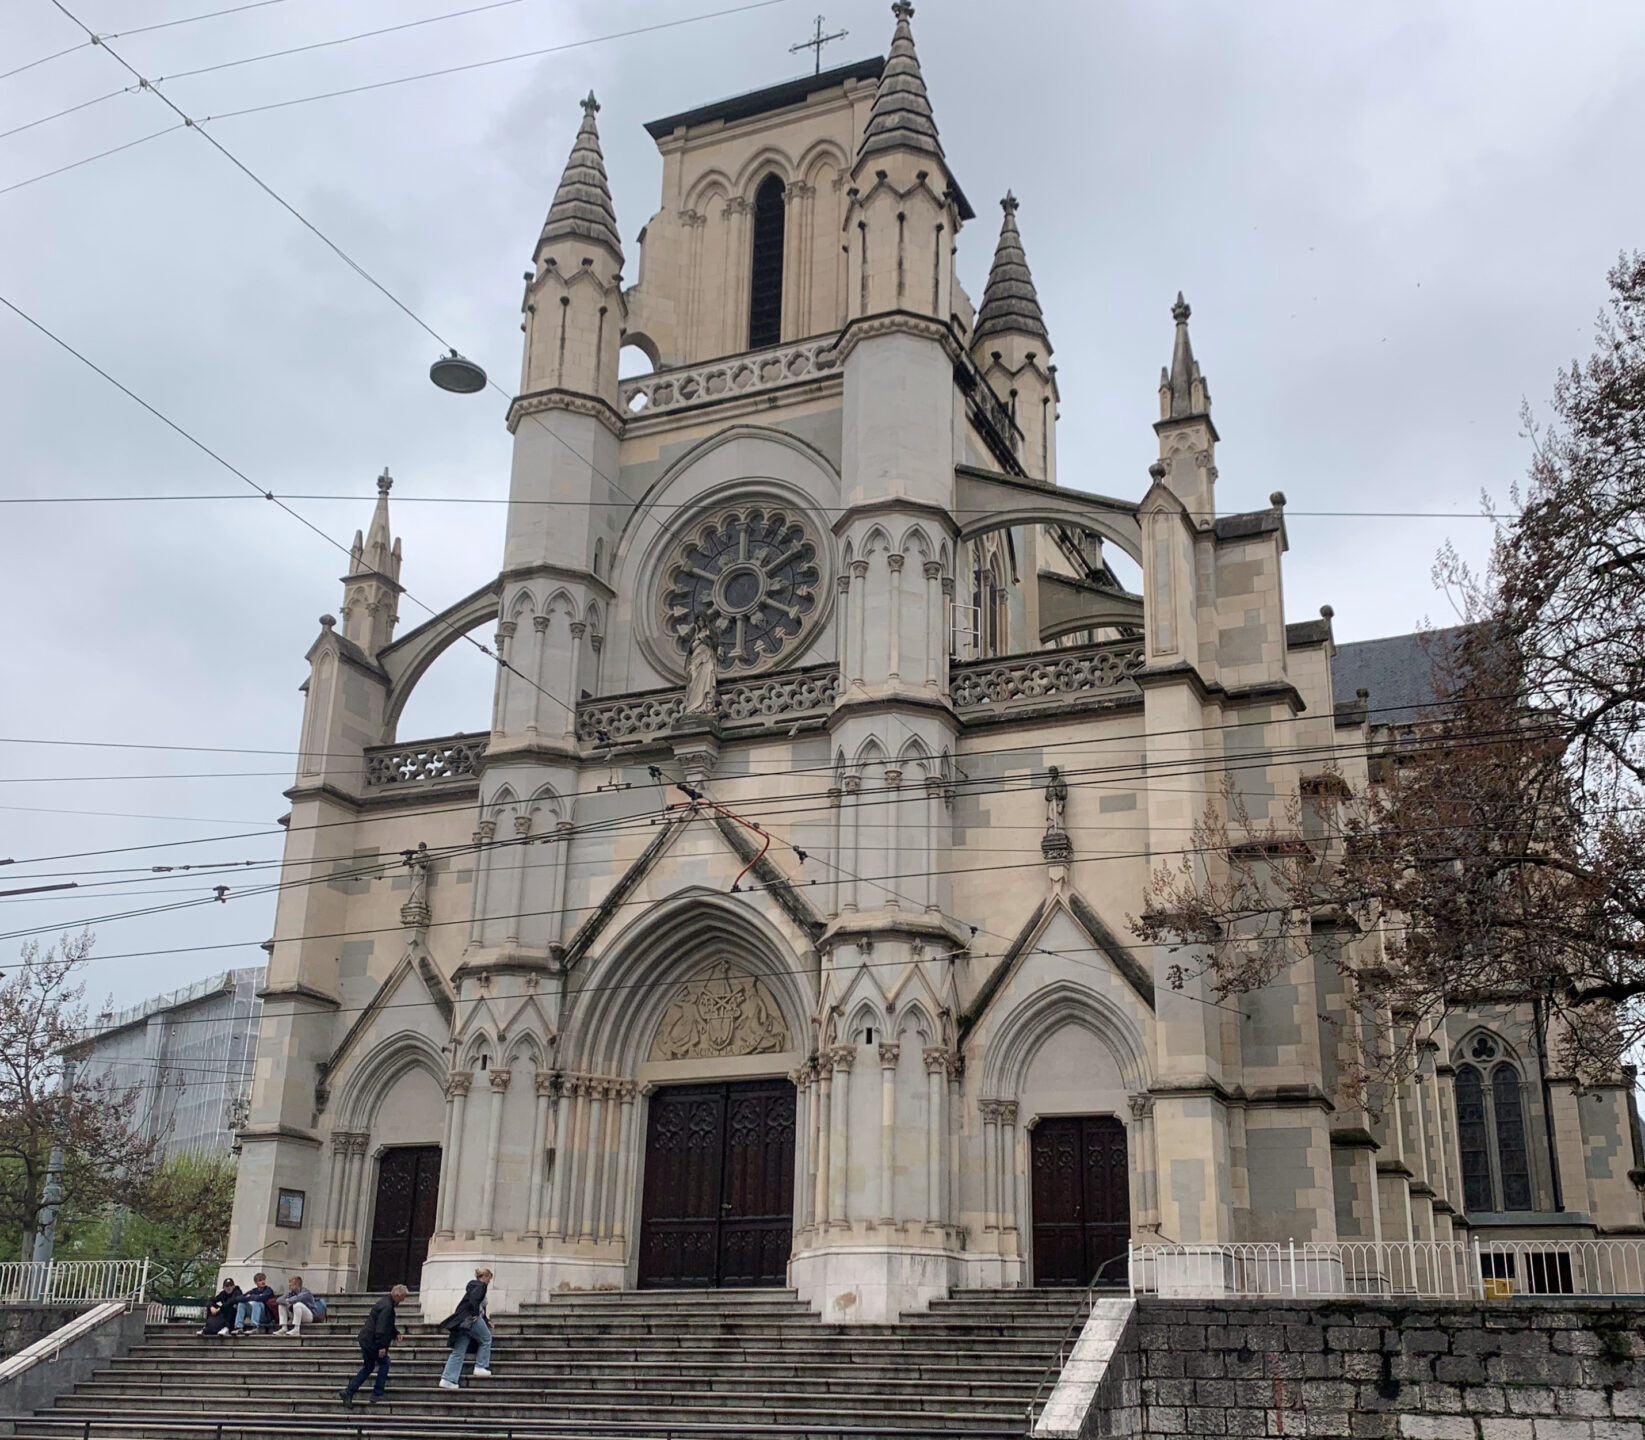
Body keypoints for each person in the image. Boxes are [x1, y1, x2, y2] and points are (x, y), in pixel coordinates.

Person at [340, 1284, 407, 1406]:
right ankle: (377, 1393)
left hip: (367, 1340)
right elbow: (381, 1328)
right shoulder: (387, 1307)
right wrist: (382, 1346)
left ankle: (349, 1391)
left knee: (369, 1367)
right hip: (372, 1342)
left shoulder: (386, 1303)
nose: (403, 1300)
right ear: (397, 1295)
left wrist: (395, 1333)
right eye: (403, 1297)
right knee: (385, 1363)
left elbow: (387, 1325)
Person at [437, 1267, 494, 1390]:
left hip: (462, 1321)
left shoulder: (472, 1286)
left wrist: (486, 1320)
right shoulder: (481, 1286)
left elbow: (477, 1305)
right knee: (486, 1339)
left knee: (458, 1351)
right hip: (471, 1318)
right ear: (484, 1277)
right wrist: (475, 1314)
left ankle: (448, 1379)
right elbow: (475, 1302)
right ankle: (481, 1366)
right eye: (489, 1278)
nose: (489, 1281)